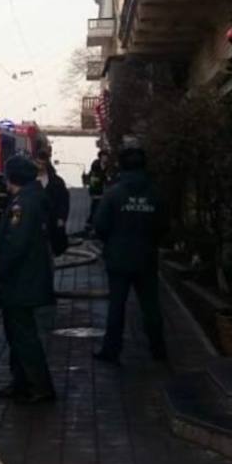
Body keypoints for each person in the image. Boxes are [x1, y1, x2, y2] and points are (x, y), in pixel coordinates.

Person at [92, 145, 168, 365]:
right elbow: (164, 226)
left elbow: (100, 225)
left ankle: (111, 350)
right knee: (151, 306)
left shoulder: (114, 194)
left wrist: (112, 242)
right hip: (146, 257)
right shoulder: (156, 194)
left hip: (118, 258)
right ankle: (158, 349)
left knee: (116, 306)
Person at [0, 154, 56, 404]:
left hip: (21, 282)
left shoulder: (22, 204)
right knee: (16, 333)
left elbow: (14, 245)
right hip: (24, 280)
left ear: (12, 178)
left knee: (24, 335)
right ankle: (20, 382)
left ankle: (39, 386)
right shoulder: (30, 197)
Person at [34, 144, 70, 256]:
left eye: (42, 164)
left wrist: (61, 218)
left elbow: (64, 201)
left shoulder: (56, 182)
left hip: (52, 222)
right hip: (34, 222)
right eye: (38, 163)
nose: (40, 166)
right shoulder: (29, 181)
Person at [86, 150, 110, 230]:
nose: (105, 158)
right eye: (103, 156)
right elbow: (93, 180)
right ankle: (90, 222)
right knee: (95, 205)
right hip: (96, 189)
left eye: (106, 156)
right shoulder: (95, 165)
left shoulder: (109, 166)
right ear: (100, 157)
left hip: (105, 189)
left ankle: (98, 222)